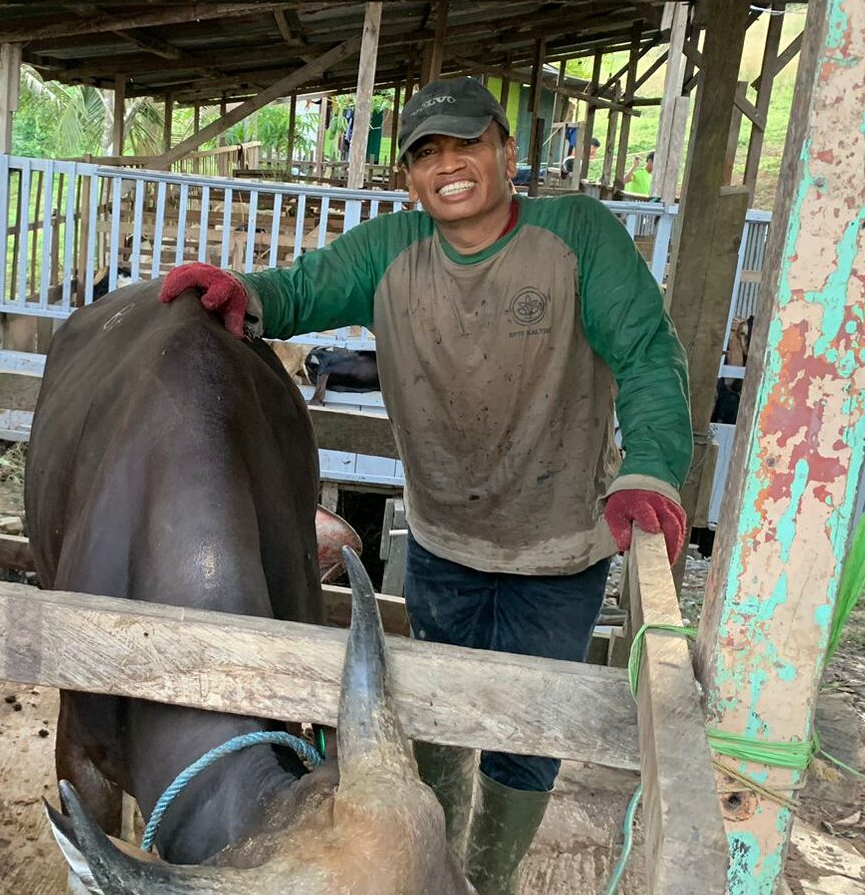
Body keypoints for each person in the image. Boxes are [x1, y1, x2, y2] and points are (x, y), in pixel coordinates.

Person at [156, 76, 691, 895]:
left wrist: (650, 466)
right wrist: (242, 293)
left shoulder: (577, 235)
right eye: (426, 153)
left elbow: (648, 354)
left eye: (467, 143)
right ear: (407, 175)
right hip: (443, 539)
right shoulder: (388, 251)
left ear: (507, 153)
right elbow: (300, 290)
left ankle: (488, 876)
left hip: (560, 548)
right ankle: (428, 871)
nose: (448, 165)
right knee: (434, 712)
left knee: (527, 730)